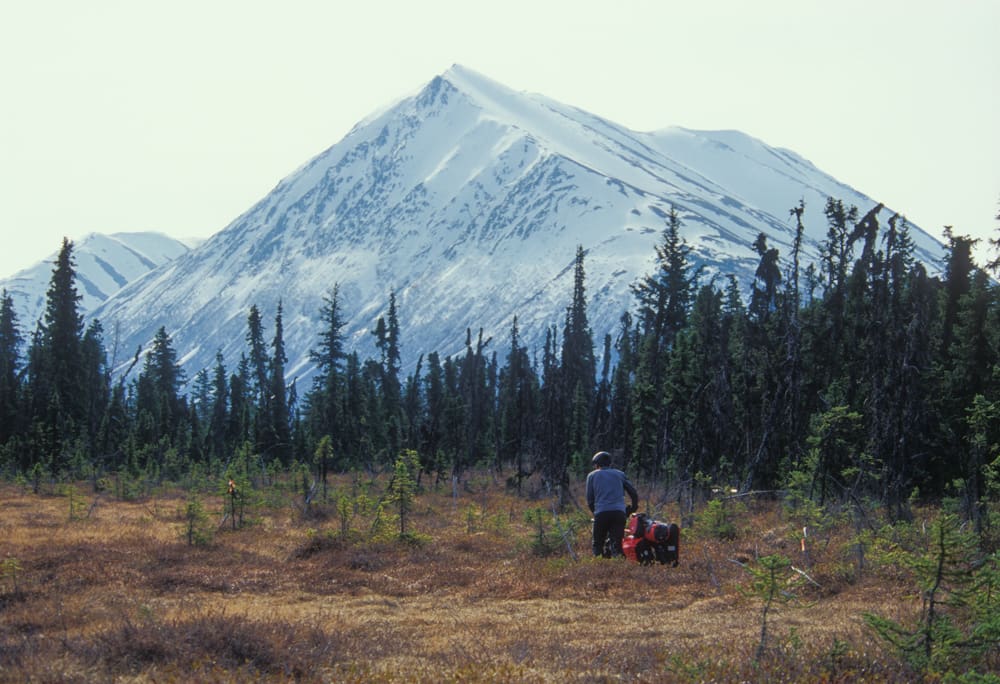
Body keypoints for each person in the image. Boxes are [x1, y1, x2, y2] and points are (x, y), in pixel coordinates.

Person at [586, 451, 639, 557]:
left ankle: (600, 567)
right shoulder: (620, 474)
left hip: (601, 513)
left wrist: (595, 513)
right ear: (609, 463)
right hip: (619, 513)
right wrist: (632, 508)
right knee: (617, 544)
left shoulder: (592, 476)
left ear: (597, 464)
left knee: (598, 543)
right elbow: (633, 493)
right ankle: (619, 566)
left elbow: (590, 499)